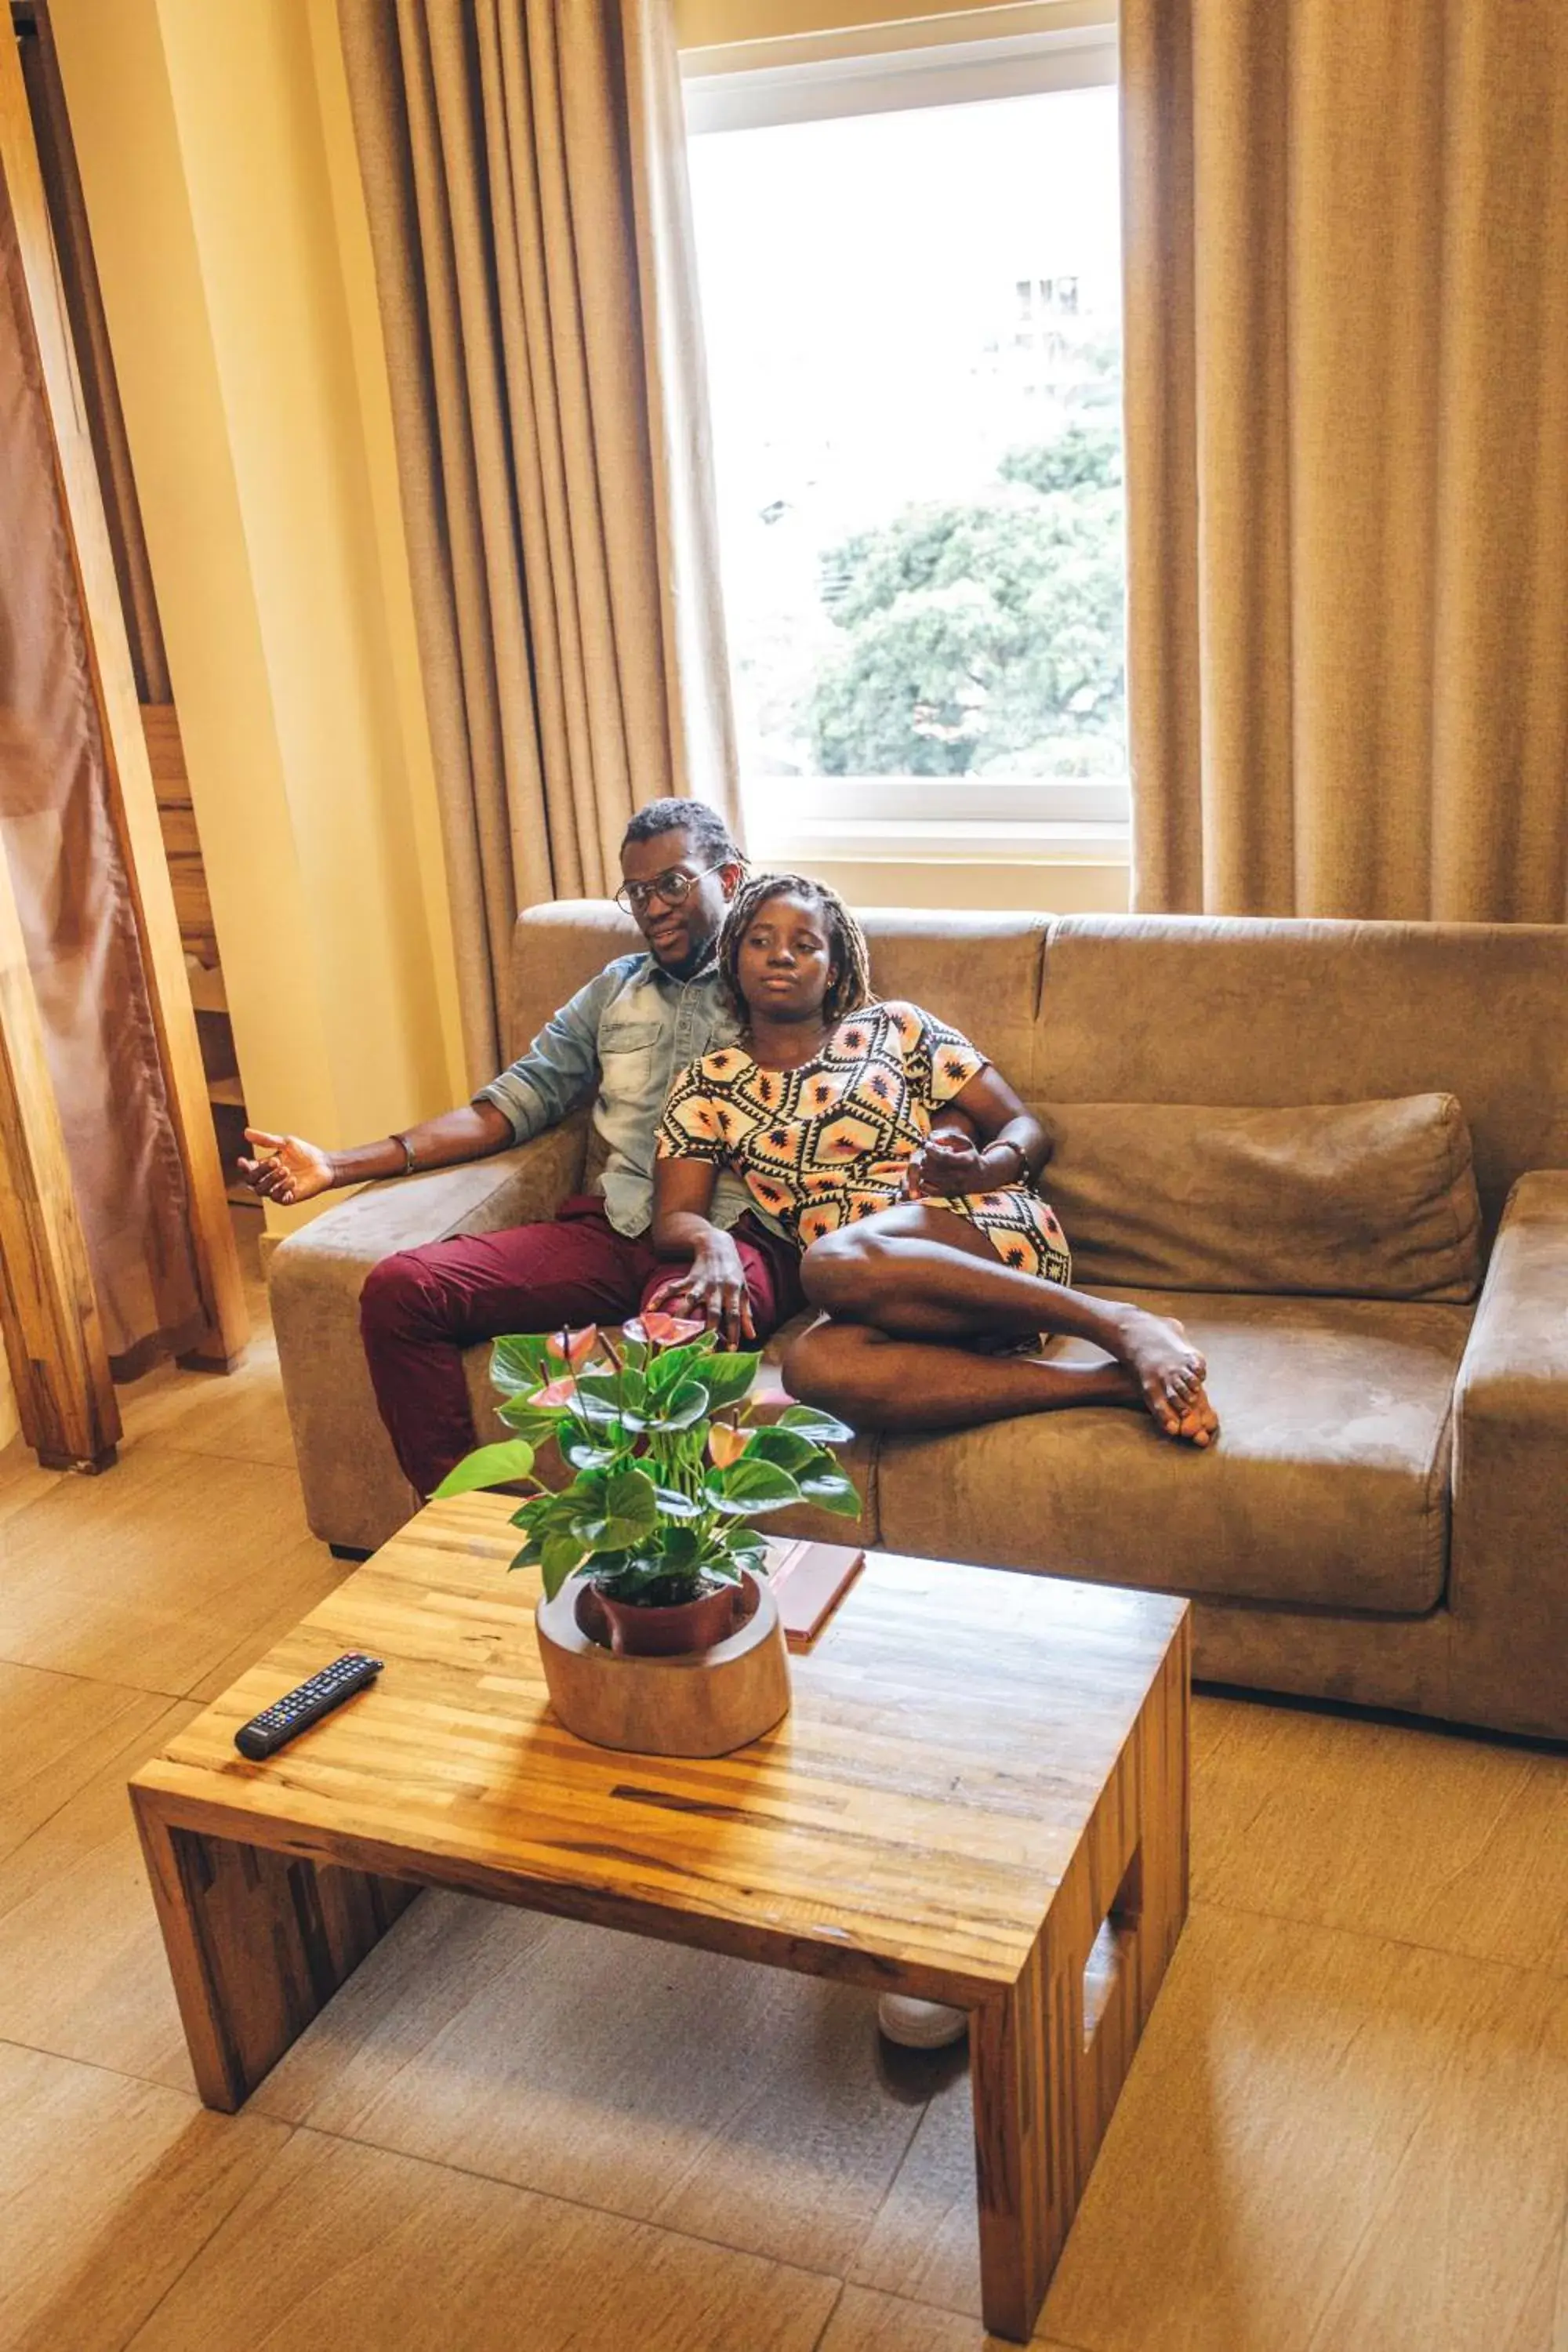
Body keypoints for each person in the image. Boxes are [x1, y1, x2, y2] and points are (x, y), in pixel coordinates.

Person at [238, 801, 804, 1504]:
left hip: (730, 1239)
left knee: (667, 1341)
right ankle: (465, 1529)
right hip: (616, 1226)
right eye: (637, 892)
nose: (653, 908)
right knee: (402, 1291)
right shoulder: (615, 990)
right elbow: (507, 1107)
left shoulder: (788, 975)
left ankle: (644, 1563)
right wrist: (336, 1166)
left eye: (673, 885)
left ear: (731, 877)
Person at [652, 872, 1219, 1447]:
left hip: (978, 1232)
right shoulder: (707, 1084)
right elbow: (674, 1215)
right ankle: (1112, 1385)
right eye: (761, 941)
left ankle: (1118, 1322)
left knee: (827, 1261)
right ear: (733, 957)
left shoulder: (894, 1027)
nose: (781, 956)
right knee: (813, 1368)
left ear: (836, 971)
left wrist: (982, 1168)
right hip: (882, 1294)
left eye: (805, 946)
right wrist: (712, 1241)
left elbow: (1026, 1128)